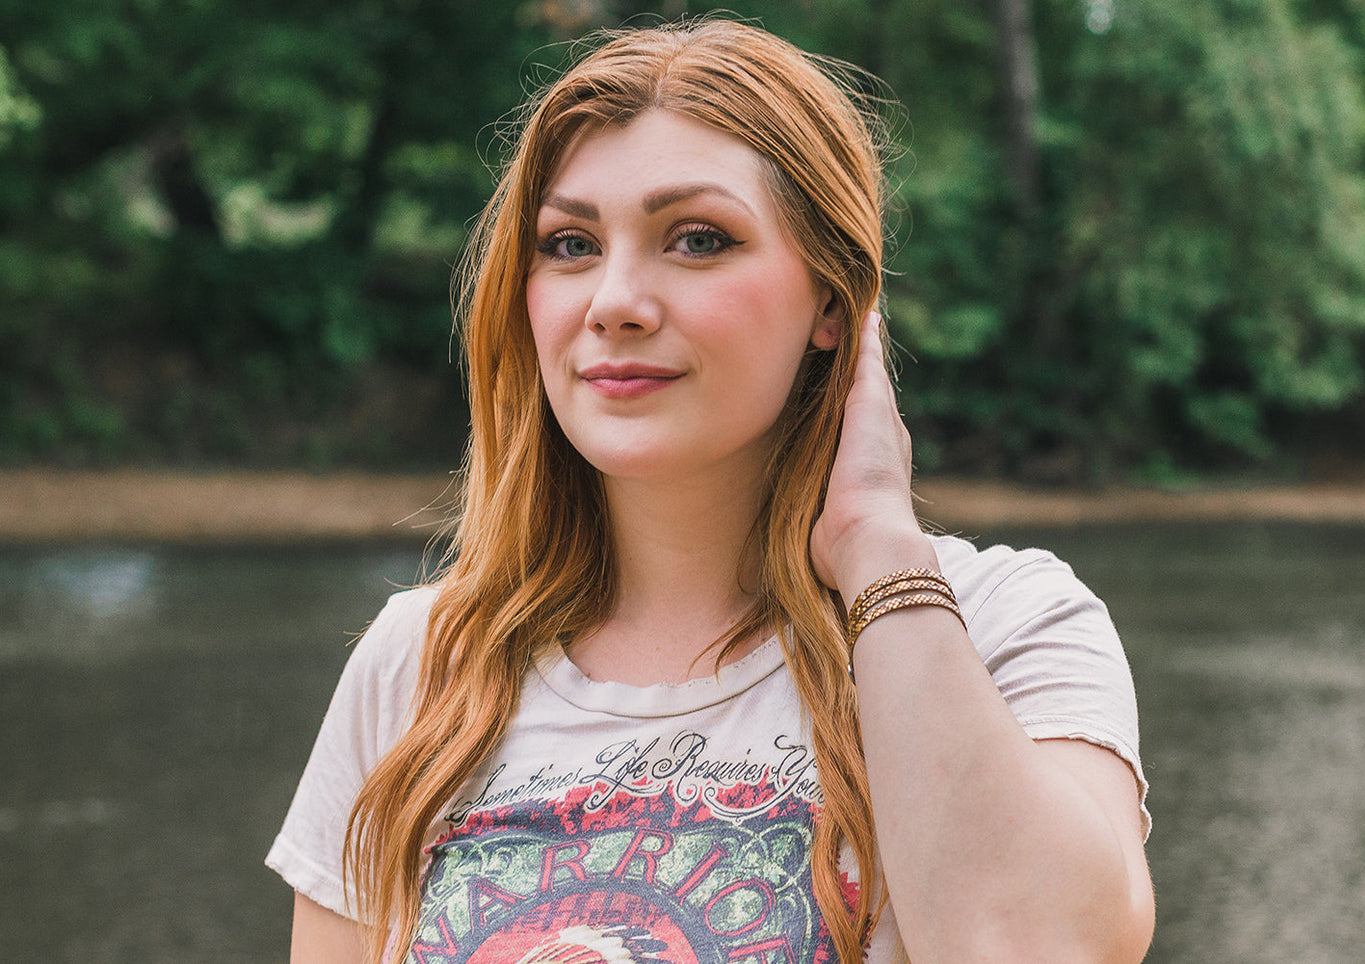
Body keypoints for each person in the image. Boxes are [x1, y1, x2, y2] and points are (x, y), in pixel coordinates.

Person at [266, 18, 1154, 964]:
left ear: (830, 302)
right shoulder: (420, 666)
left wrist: (877, 552)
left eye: (695, 239)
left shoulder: (1001, 624)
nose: (613, 300)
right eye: (568, 244)